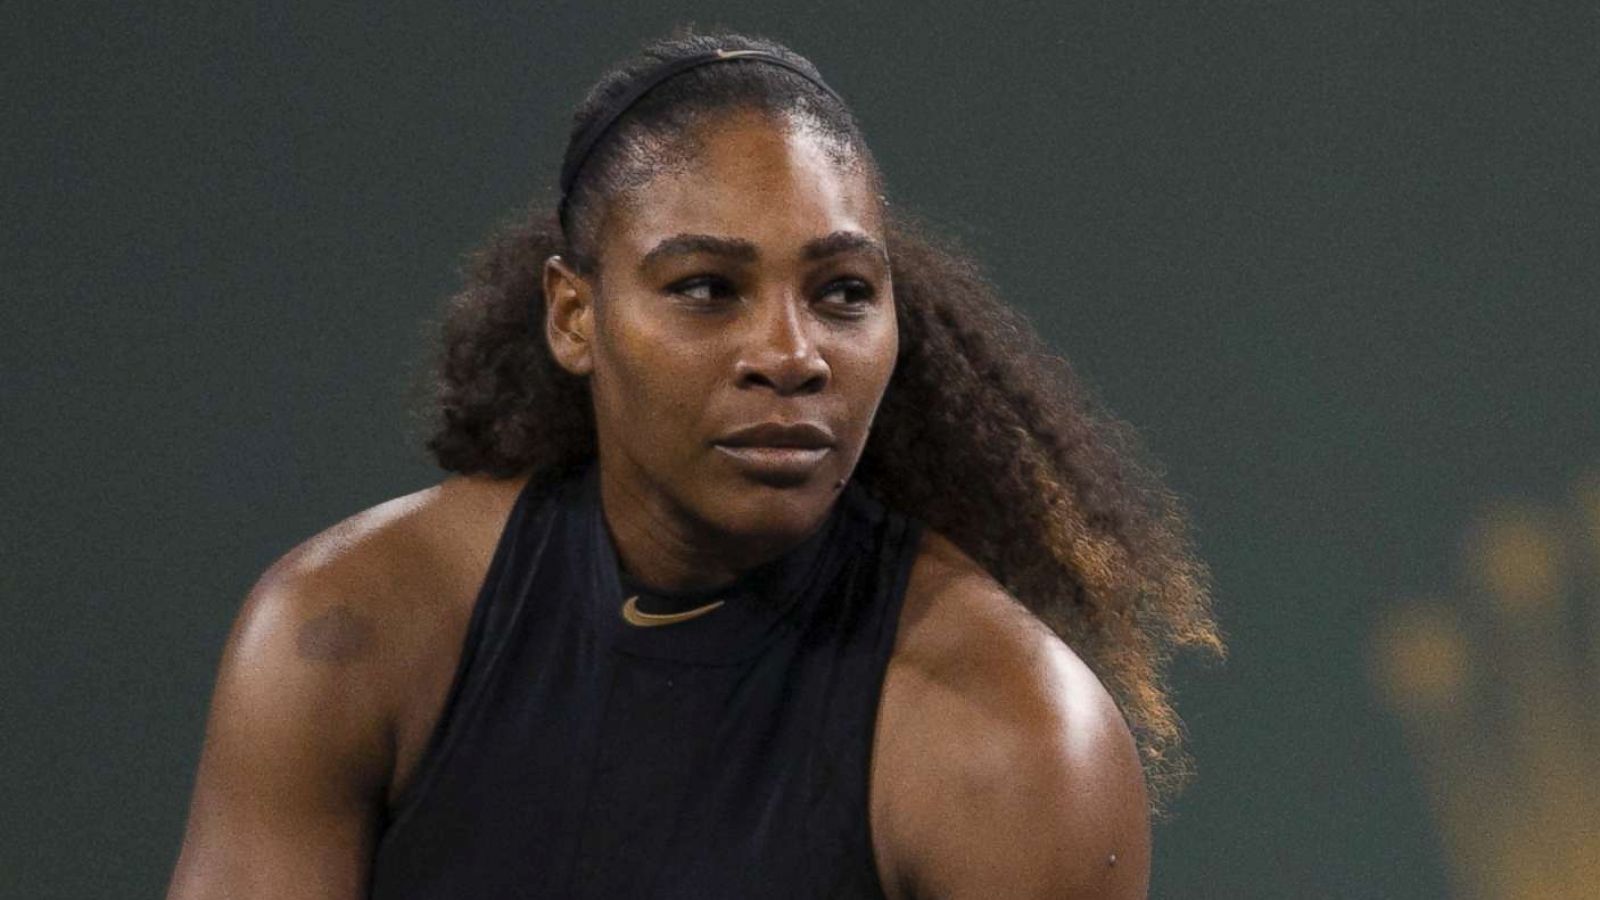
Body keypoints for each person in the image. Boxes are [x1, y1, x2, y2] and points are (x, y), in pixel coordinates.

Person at [167, 27, 1220, 900]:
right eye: (707, 288)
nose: (791, 355)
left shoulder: (1019, 741)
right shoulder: (342, 636)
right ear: (574, 317)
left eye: (843, 293)